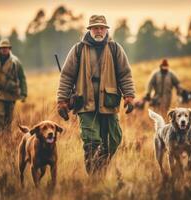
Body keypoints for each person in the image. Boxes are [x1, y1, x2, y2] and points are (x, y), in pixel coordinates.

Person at [57, 15, 135, 175]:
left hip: (109, 102)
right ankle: (94, 175)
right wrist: (62, 101)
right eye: (95, 28)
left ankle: (102, 166)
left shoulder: (115, 48)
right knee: (92, 141)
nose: (99, 30)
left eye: (101, 28)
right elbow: (66, 75)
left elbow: (125, 74)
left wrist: (129, 95)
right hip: (85, 103)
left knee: (114, 140)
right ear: (90, 30)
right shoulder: (78, 49)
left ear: (106, 29)